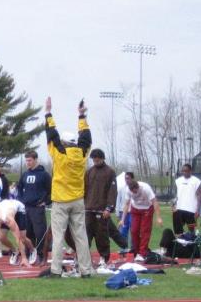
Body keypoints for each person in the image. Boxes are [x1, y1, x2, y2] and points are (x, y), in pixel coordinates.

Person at [43, 97, 94, 277]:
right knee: (81, 236)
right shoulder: (82, 154)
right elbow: (86, 137)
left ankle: (56, 271)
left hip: (60, 201)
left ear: (64, 142)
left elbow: (51, 134)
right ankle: (86, 270)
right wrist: (82, 116)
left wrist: (48, 113)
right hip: (78, 200)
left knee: (58, 238)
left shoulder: (59, 152)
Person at [84, 148, 124, 267]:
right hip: (88, 209)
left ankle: (104, 257)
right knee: (86, 235)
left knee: (102, 235)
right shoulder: (89, 172)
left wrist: (109, 208)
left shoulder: (109, 172)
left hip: (102, 210)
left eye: (97, 159)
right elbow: (84, 190)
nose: (95, 161)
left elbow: (112, 191)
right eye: (93, 159)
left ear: (102, 158)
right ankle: (84, 257)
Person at [17, 150, 51, 265]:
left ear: (36, 160)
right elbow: (19, 188)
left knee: (40, 233)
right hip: (26, 208)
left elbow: (51, 191)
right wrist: (21, 200)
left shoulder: (44, 174)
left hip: (38, 209)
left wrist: (45, 202)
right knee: (27, 233)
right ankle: (28, 255)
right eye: (26, 160)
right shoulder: (25, 174)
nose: (28, 163)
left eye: (30, 160)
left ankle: (42, 256)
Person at [119, 173, 163, 262]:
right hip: (135, 209)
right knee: (134, 230)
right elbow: (127, 204)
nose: (134, 193)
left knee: (144, 231)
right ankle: (136, 251)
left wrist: (158, 217)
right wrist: (122, 219)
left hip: (147, 208)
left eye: (135, 191)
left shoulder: (145, 188)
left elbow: (155, 202)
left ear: (138, 187)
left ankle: (142, 253)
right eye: (132, 192)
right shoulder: (128, 190)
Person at [0, 198, 32, 268]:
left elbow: (17, 238)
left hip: (19, 210)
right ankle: (14, 251)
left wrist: (24, 258)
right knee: (1, 237)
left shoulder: (8, 220)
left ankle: (32, 250)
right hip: (4, 208)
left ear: (0, 223)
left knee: (22, 238)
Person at [172, 164, 201, 234]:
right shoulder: (178, 181)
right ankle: (180, 244)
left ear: (190, 171)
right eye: (183, 171)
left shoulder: (196, 181)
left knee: (192, 230)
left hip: (191, 210)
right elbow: (176, 195)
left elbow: (199, 196)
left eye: (186, 171)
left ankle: (192, 244)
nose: (184, 173)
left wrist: (198, 210)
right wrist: (173, 205)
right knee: (178, 230)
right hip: (179, 209)